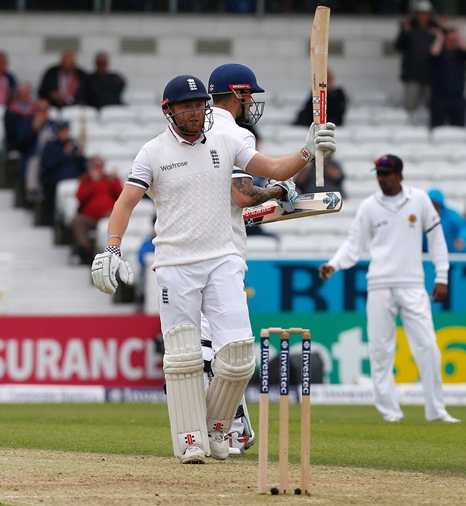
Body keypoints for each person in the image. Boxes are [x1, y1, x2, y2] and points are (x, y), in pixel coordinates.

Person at [91, 73, 336, 464]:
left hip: (223, 258)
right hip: (174, 263)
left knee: (239, 355)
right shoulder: (152, 152)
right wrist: (111, 248)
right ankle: (191, 439)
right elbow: (125, 203)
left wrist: (306, 152)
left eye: (199, 104)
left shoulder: (227, 139)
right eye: (185, 106)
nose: (194, 112)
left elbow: (272, 168)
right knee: (184, 358)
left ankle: (219, 426)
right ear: (167, 110)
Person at [318, 154, 459, 424]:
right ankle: (390, 412)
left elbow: (437, 240)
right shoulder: (370, 206)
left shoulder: (419, 199)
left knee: (428, 346)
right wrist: (334, 265)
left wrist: (442, 277)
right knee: (381, 350)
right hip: (380, 284)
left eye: (387, 174)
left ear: (400, 175)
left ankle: (436, 410)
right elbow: (353, 245)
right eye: (379, 174)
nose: (382, 178)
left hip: (413, 283)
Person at [205, 62, 297, 456]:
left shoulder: (191, 130)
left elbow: (223, 201)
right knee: (232, 351)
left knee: (202, 352)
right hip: (222, 258)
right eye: (249, 96)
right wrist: (277, 190)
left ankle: (229, 429)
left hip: (185, 253)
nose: (251, 104)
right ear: (238, 94)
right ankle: (228, 428)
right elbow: (242, 195)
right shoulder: (234, 131)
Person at [71, 156, 123, 264]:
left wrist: (113, 182)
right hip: (89, 218)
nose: (98, 169)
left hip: (107, 217)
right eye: (96, 166)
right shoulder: (86, 180)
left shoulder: (109, 179)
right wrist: (92, 183)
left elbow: (121, 197)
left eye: (100, 166)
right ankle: (88, 249)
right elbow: (79, 197)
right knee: (77, 221)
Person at [395, 1, 439, 115]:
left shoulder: (435, 28)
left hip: (431, 76)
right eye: (420, 13)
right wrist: (405, 33)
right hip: (412, 75)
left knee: (431, 107)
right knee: (409, 107)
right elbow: (399, 46)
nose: (423, 16)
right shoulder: (409, 27)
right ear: (415, 14)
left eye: (425, 13)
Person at [39, 120, 87, 226]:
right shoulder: (50, 147)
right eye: (61, 131)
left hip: (74, 180)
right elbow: (46, 166)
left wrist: (80, 157)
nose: (64, 134)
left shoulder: (73, 145)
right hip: (56, 181)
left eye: (66, 131)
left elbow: (83, 168)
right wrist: (64, 154)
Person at [429, 23, 466, 128]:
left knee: (459, 129)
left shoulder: (460, 55)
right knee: (437, 128)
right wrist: (440, 36)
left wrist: (458, 33)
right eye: (450, 38)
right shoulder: (439, 54)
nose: (452, 41)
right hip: (439, 98)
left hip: (457, 98)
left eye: (454, 39)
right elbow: (433, 52)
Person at [427, 188, 466, 253]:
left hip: (451, 254)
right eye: (431, 203)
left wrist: (462, 238)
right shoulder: (422, 216)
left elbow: (464, 227)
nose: (433, 206)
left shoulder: (451, 215)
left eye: (435, 204)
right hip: (428, 255)